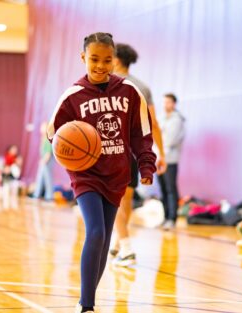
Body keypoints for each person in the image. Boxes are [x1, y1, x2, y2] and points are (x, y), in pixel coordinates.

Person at [47, 32, 156, 313]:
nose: (100, 65)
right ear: (83, 58)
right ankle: (87, 306)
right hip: (86, 175)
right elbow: (53, 132)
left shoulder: (130, 92)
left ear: (114, 60)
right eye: (94, 59)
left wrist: (146, 164)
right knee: (95, 232)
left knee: (106, 240)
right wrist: (66, 146)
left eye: (107, 60)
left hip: (116, 173)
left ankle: (86, 300)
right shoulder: (73, 96)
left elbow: (141, 132)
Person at [110, 43, 167, 267]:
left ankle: (127, 248)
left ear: (115, 59)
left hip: (114, 150)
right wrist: (160, 153)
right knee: (127, 200)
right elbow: (154, 123)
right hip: (135, 151)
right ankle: (118, 243)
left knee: (113, 202)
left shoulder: (109, 84)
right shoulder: (142, 86)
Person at [158, 93, 185, 230]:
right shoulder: (161, 118)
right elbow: (156, 137)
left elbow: (169, 140)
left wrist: (162, 155)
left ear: (174, 104)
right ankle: (165, 217)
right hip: (159, 160)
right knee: (162, 189)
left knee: (170, 189)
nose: (165, 105)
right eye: (164, 102)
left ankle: (172, 218)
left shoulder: (177, 119)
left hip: (170, 160)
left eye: (168, 102)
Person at [32, 122, 54, 201]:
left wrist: (44, 161)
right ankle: (36, 194)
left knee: (48, 178)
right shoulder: (43, 138)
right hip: (43, 161)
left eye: (43, 127)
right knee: (40, 178)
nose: (41, 129)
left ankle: (49, 196)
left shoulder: (48, 139)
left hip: (47, 161)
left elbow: (48, 153)